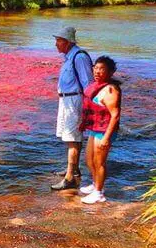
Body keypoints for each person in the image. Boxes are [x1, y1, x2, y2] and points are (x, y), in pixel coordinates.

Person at [50, 26, 93, 191]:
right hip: (67, 100)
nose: (56, 44)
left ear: (67, 42)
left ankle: (69, 178)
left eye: (58, 41)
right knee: (71, 137)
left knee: (72, 138)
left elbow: (88, 84)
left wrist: (86, 108)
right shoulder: (69, 57)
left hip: (74, 101)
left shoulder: (79, 57)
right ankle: (73, 169)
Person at [79, 56, 122, 204]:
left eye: (101, 69)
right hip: (95, 128)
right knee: (89, 159)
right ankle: (95, 183)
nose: (97, 71)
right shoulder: (96, 86)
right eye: (96, 68)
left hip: (105, 130)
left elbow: (115, 115)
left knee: (99, 162)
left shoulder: (110, 90)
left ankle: (99, 193)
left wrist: (106, 138)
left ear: (110, 72)